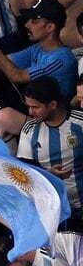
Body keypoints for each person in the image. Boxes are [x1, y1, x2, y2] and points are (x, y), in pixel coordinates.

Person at [0, 0, 77, 99]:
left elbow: (17, 77)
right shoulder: (37, 48)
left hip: (57, 111)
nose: (27, 24)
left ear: (50, 27)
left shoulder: (62, 59)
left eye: (34, 21)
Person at [14, 76, 83, 219]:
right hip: (51, 209)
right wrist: (48, 174)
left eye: (35, 107)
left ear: (52, 104)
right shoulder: (29, 130)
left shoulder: (80, 123)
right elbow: (24, 173)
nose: (30, 112)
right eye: (28, 106)